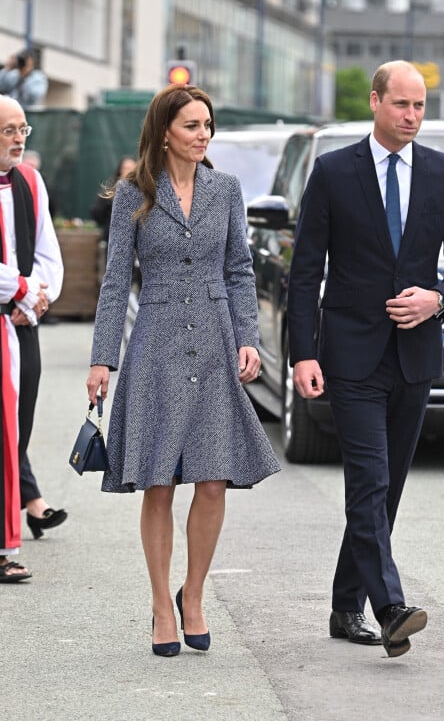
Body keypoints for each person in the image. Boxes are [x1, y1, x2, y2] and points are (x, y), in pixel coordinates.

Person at [287, 60, 444, 658]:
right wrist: (302, 354)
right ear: (375, 102)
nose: (412, 116)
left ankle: (346, 606)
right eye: (401, 104)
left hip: (414, 356)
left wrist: (437, 299)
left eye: (421, 106)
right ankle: (390, 606)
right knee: (368, 481)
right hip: (350, 356)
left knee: (387, 490)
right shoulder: (332, 172)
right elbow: (304, 274)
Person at [86, 84, 280, 656]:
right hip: (156, 343)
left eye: (208, 126)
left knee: (214, 478)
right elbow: (116, 278)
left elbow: (240, 270)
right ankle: (157, 604)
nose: (204, 136)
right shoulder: (133, 194)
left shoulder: (226, 190)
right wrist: (103, 358)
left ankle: (191, 595)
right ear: (165, 130)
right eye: (192, 126)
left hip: (217, 342)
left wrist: (248, 338)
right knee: (159, 480)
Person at [0, 94, 63, 581]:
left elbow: (48, 253)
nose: (19, 138)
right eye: (9, 130)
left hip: (23, 326)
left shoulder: (31, 181)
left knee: (16, 430)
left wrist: (38, 299)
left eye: (23, 129)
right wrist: (21, 290)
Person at [90, 156, 136, 243]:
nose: (129, 172)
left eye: (132, 169)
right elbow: (96, 213)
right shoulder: (111, 191)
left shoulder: (142, 192)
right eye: (126, 168)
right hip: (112, 240)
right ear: (120, 171)